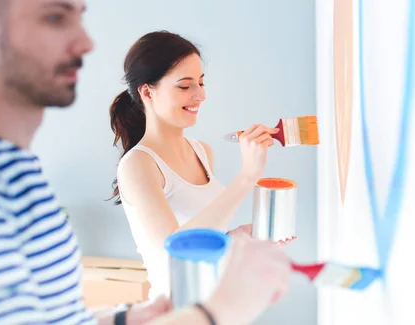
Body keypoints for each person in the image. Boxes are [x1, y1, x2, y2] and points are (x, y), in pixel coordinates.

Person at [0, 0, 291, 324]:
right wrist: (219, 311)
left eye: (80, 17)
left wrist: (124, 319)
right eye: (55, 17)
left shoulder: (13, 170)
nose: (86, 42)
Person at [109, 31, 295, 300]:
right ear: (147, 92)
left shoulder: (201, 152)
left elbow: (205, 237)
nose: (200, 95)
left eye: (201, 82)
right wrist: (247, 176)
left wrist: (242, 236)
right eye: (185, 86)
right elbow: (175, 249)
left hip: (217, 305)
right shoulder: (138, 164)